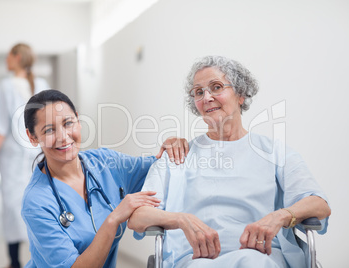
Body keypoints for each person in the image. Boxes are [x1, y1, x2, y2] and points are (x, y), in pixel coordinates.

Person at [128, 55, 331, 268]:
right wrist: (181, 220)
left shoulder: (275, 153)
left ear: (241, 94)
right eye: (198, 92)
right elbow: (138, 217)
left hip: (262, 256)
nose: (206, 97)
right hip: (195, 259)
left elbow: (319, 204)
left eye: (216, 87)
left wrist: (280, 216)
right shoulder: (177, 156)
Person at [21, 89, 188, 268]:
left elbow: (159, 167)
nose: (63, 137)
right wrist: (113, 218)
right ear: (32, 137)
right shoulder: (36, 202)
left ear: (78, 120)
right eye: (49, 130)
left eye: (68, 123)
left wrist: (175, 144)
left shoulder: (106, 163)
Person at [0, 43, 49, 268]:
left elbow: (1, 127)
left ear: (17, 57)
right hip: (38, 155)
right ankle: (39, 260)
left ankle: (14, 262)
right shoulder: (41, 84)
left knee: (13, 210)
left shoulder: (6, 86)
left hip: (13, 157)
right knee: (37, 206)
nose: (5, 60)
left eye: (8, 56)